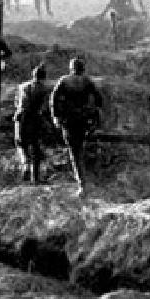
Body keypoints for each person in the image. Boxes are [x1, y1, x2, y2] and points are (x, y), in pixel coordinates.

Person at [50, 57, 103, 197]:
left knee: (75, 152)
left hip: (69, 120)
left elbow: (54, 99)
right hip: (84, 119)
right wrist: (95, 113)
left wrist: (56, 117)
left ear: (71, 68)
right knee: (83, 148)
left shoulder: (64, 80)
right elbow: (98, 99)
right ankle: (89, 181)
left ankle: (82, 184)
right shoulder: (87, 81)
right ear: (82, 68)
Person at [13, 64, 50, 183]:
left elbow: (16, 102)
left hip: (21, 116)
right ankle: (35, 177)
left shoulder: (22, 86)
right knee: (35, 146)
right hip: (35, 118)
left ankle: (25, 165)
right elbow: (45, 107)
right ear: (44, 77)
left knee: (20, 143)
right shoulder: (45, 90)